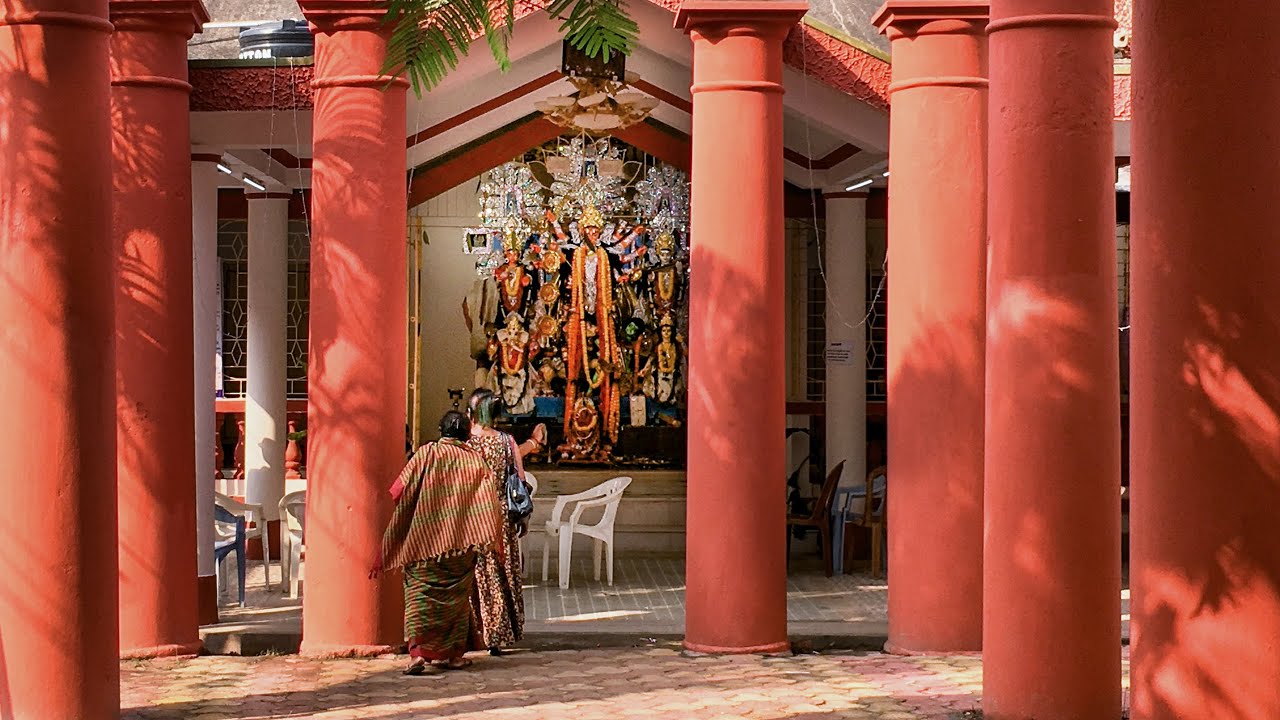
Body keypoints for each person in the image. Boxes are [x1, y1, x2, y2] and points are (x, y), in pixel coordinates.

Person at [374, 410, 505, 676]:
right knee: (455, 604)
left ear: (440, 429)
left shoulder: (426, 454)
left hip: (422, 545)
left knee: (418, 599)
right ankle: (454, 657)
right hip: (459, 547)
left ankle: (417, 654)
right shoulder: (475, 462)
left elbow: (397, 491)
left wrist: (423, 510)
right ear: (467, 435)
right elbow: (489, 504)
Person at [466, 389, 548, 655]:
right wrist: (523, 517)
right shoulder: (505, 441)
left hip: (473, 517)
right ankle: (499, 635)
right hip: (501, 516)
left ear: (472, 414)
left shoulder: (466, 445)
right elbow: (519, 480)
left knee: (478, 575)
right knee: (502, 572)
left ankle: (476, 631)